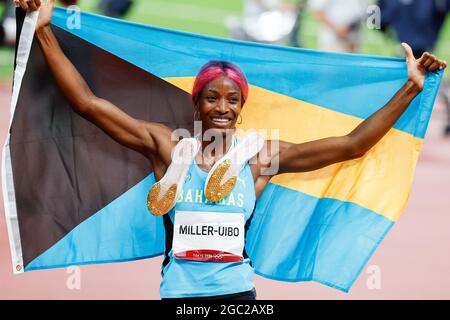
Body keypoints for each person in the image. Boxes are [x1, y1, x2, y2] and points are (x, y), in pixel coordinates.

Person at [15, 0, 447, 299]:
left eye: (232, 99)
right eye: (212, 98)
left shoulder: (262, 157)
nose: (222, 107)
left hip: (238, 295)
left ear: (242, 107)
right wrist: (45, 30)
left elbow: (351, 145)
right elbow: (88, 104)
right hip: (180, 296)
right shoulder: (166, 145)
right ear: (196, 102)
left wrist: (410, 89)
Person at [378, 0, 450, 135]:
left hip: (418, 47)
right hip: (412, 46)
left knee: (431, 83)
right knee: (430, 83)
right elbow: (378, 21)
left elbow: (378, 22)